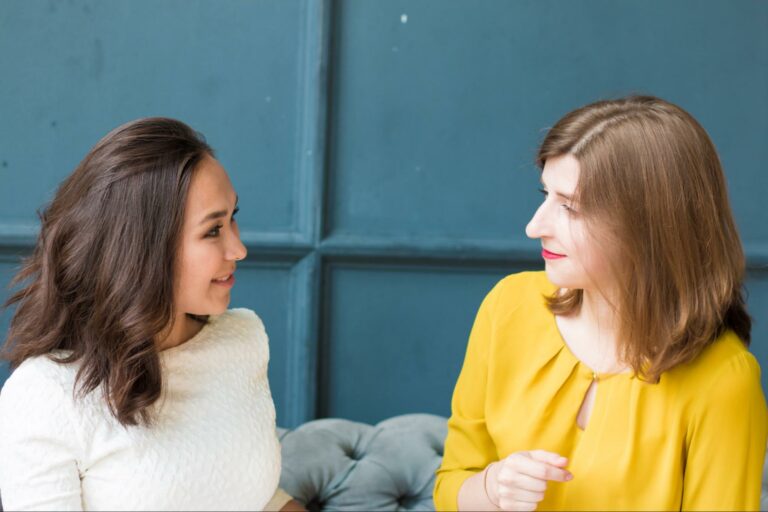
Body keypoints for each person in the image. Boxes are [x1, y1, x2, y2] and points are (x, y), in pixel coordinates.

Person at [434, 95, 767, 511]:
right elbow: (451, 488)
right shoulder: (508, 307)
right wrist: (492, 487)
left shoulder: (725, 382)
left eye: (570, 207)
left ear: (649, 226)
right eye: (546, 195)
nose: (535, 226)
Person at [0, 118, 304, 511]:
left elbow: (260, 500)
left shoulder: (242, 339)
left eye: (233, 218)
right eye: (212, 231)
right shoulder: (46, 394)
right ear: (142, 251)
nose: (238, 248)